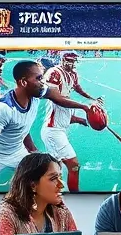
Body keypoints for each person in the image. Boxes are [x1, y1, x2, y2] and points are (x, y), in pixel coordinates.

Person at [0, 59, 95, 191]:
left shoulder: (37, 93)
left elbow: (57, 99)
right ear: (24, 82)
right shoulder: (3, 107)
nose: (43, 82)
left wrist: (85, 107)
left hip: (18, 153)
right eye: (38, 78)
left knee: (41, 178)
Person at [0, 152, 91, 235]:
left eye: (60, 177)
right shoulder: (7, 214)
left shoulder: (61, 212)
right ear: (33, 185)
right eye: (53, 178)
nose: (61, 184)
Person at [41, 51, 102, 192]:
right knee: (73, 165)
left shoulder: (73, 74)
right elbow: (58, 99)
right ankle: (75, 195)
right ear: (63, 60)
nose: (72, 64)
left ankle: (54, 194)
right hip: (53, 131)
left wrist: (83, 115)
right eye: (70, 60)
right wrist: (84, 107)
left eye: (74, 61)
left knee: (56, 168)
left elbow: (76, 89)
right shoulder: (54, 73)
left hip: (58, 130)